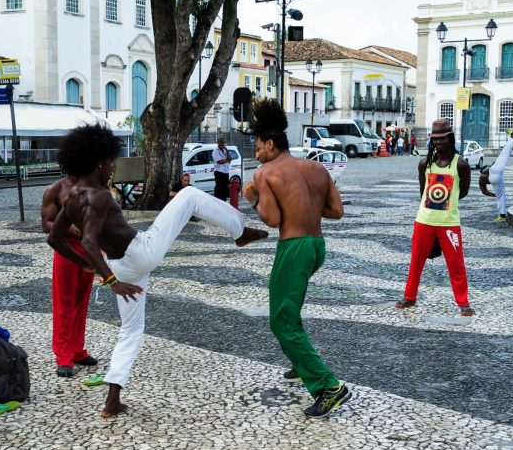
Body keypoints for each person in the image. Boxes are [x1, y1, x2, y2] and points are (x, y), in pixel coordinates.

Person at [47, 124, 268, 418]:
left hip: (122, 265)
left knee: (131, 330)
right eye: (111, 162)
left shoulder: (73, 196)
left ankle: (113, 399)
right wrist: (110, 281)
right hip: (140, 253)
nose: (113, 168)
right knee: (188, 196)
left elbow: (54, 237)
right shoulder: (98, 195)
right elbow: (87, 240)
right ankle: (239, 230)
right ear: (98, 162)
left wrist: (91, 267)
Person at [241, 99, 351, 419]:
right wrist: (304, 205)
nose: (256, 153)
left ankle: (327, 386)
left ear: (271, 144)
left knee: (281, 320)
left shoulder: (266, 173)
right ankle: (299, 363)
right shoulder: (316, 168)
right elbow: (336, 212)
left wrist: (252, 199)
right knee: (291, 309)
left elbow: (272, 220)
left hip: (294, 247)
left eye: (258, 147)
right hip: (317, 246)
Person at [395, 119, 475, 316]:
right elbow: (423, 192)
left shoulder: (461, 165)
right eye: (435, 139)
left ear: (450, 138)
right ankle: (409, 297)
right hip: (423, 221)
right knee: (416, 261)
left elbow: (462, 192)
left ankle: (463, 302)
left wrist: (448, 204)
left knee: (456, 264)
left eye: (442, 139)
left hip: (449, 223)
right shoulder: (425, 164)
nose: (438, 143)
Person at [40, 169, 97, 378]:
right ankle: (63, 355)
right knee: (64, 302)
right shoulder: (54, 189)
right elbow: (46, 224)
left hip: (89, 248)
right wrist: (68, 228)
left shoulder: (92, 186)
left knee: (81, 302)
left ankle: (77, 349)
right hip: (65, 249)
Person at [479, 130, 513, 222]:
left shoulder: (483, 177)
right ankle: (512, 136)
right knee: (504, 153)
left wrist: (494, 194)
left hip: (495, 178)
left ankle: (502, 215)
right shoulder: (489, 169)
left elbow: (484, 191)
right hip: (495, 174)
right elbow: (484, 191)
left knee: (501, 196)